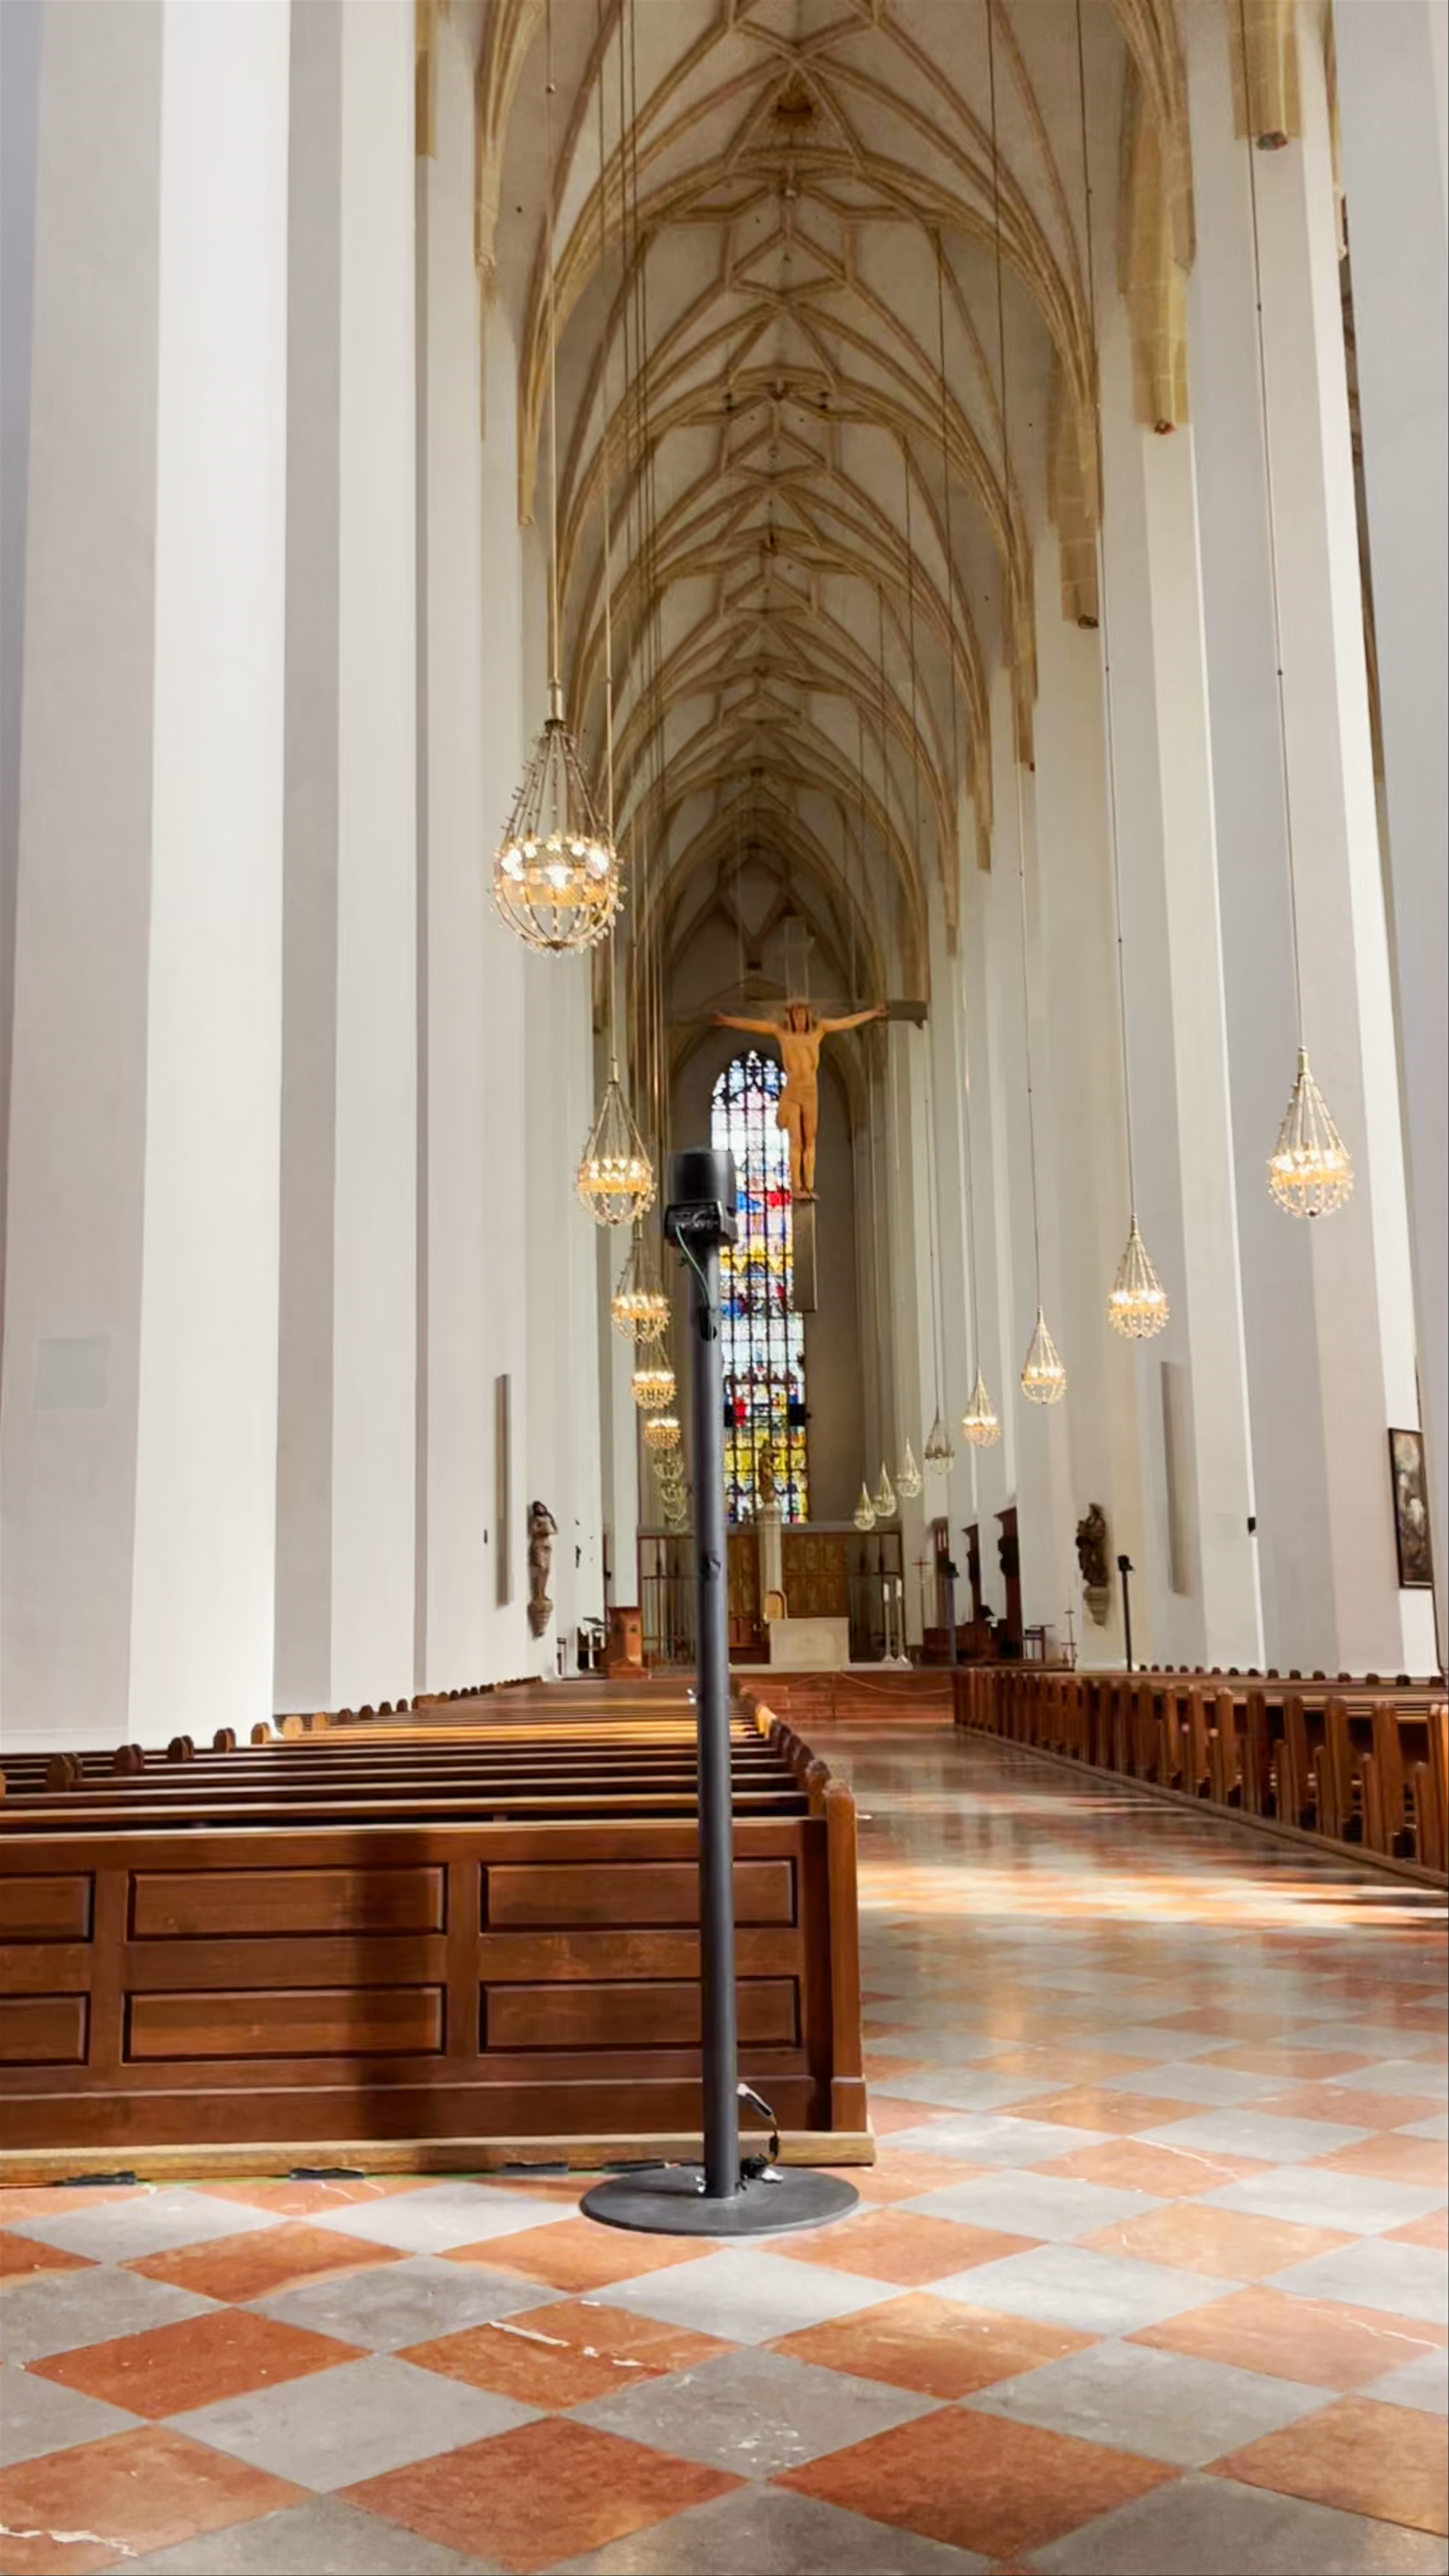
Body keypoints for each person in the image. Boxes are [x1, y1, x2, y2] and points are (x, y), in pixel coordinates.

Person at [714, 998, 885, 1196]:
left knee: (810, 1141)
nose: (800, 1019)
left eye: (803, 1015)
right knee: (797, 1141)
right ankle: (796, 1186)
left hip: (811, 1093)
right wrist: (727, 1021)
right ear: (791, 1017)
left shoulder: (818, 1032)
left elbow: (845, 1023)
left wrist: (872, 1014)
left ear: (808, 1015)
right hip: (793, 1092)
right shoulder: (783, 1034)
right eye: (796, 1015)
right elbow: (754, 1026)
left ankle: (809, 1186)